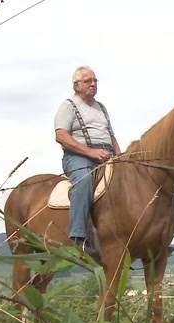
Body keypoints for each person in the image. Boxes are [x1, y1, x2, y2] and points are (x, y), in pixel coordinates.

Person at [54, 66, 121, 261]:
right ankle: (78, 236)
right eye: (88, 81)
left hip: (106, 154)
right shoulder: (68, 106)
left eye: (95, 80)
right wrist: (90, 152)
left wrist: (121, 157)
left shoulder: (101, 107)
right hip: (78, 157)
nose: (93, 84)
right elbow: (61, 136)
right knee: (83, 181)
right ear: (76, 85)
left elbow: (111, 135)